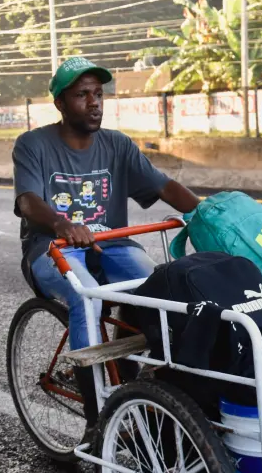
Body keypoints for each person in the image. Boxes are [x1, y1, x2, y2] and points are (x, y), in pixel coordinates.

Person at [13, 57, 199, 423]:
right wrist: (62, 225)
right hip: (53, 248)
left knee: (156, 287)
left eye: (98, 94)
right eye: (82, 95)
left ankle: (131, 380)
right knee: (86, 296)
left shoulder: (118, 145)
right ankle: (97, 416)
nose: (94, 102)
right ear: (61, 103)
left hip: (112, 243)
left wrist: (214, 214)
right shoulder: (33, 144)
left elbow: (164, 186)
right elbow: (28, 202)